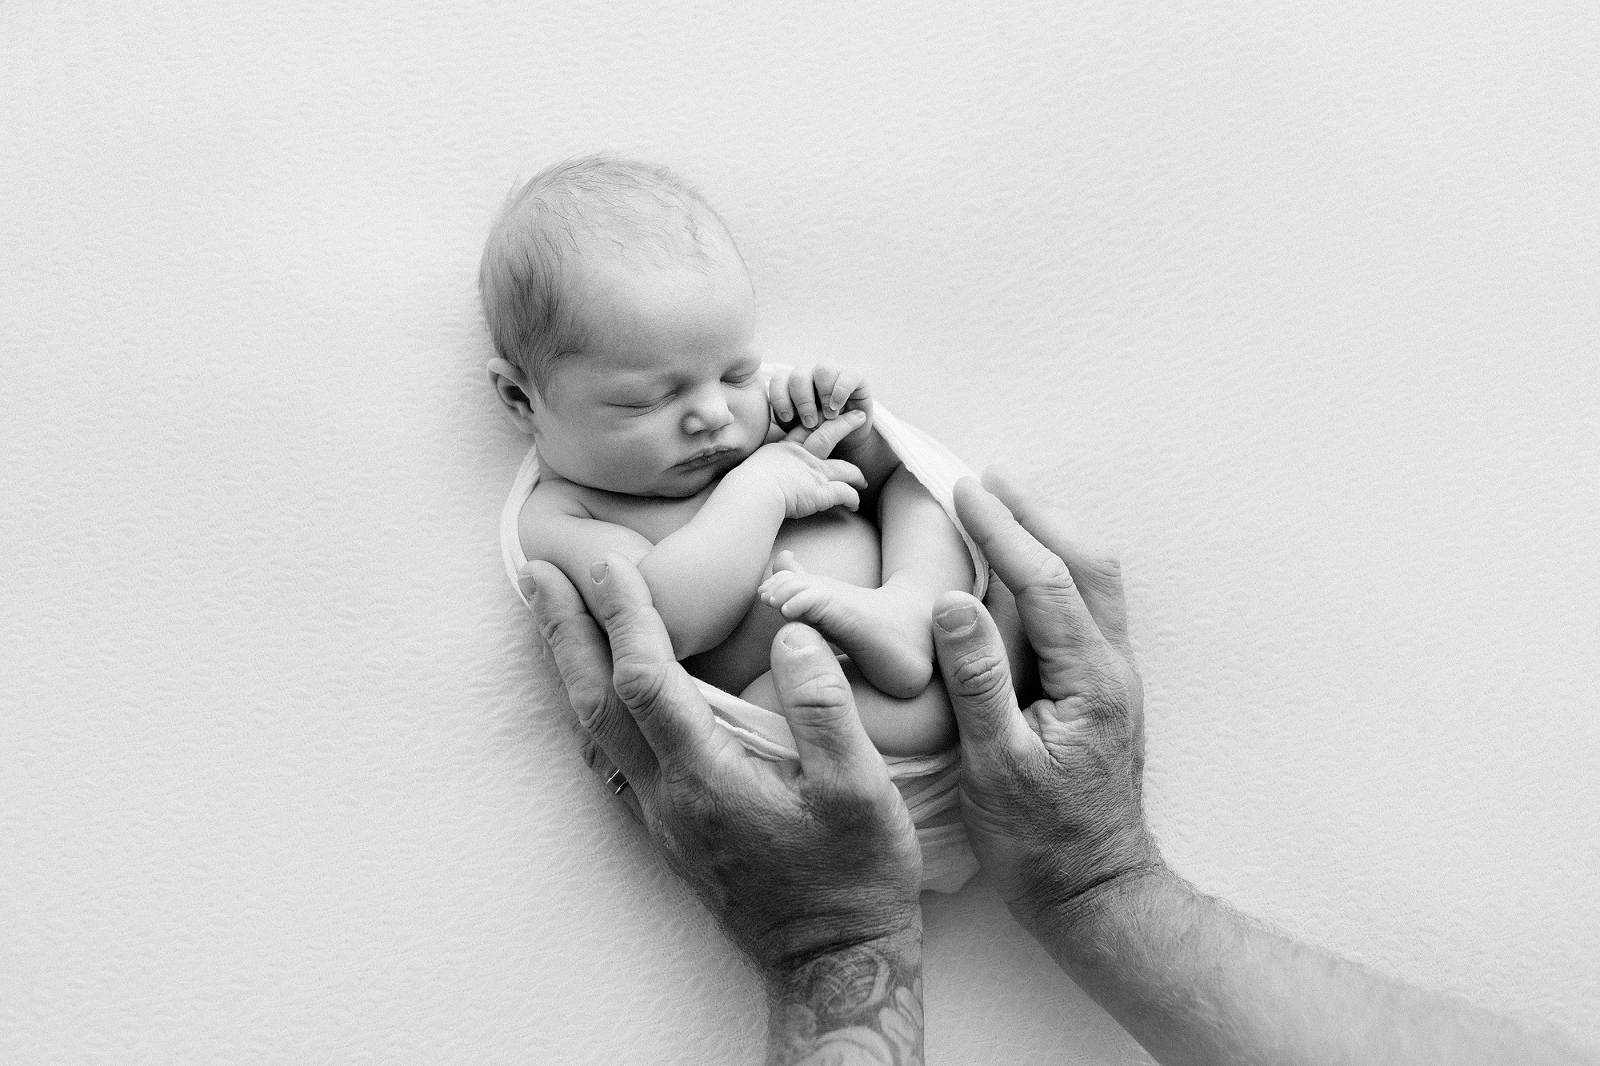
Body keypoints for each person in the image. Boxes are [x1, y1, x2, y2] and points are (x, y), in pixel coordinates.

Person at [521, 470, 1596, 1065]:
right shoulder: (557, 508)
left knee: (920, 548)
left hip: (872, 686)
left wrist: (831, 946)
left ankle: (904, 611)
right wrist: (1096, 874)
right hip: (852, 704)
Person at [482, 153, 986, 760]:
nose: (714, 415)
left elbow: (871, 486)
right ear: (521, 398)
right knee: (789, 696)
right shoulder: (563, 512)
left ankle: (904, 608)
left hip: (941, 640)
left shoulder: (762, 425)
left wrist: (851, 438)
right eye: (649, 400)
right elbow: (666, 618)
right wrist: (763, 487)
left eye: (736, 373)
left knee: (920, 489)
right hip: (825, 705)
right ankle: (895, 644)